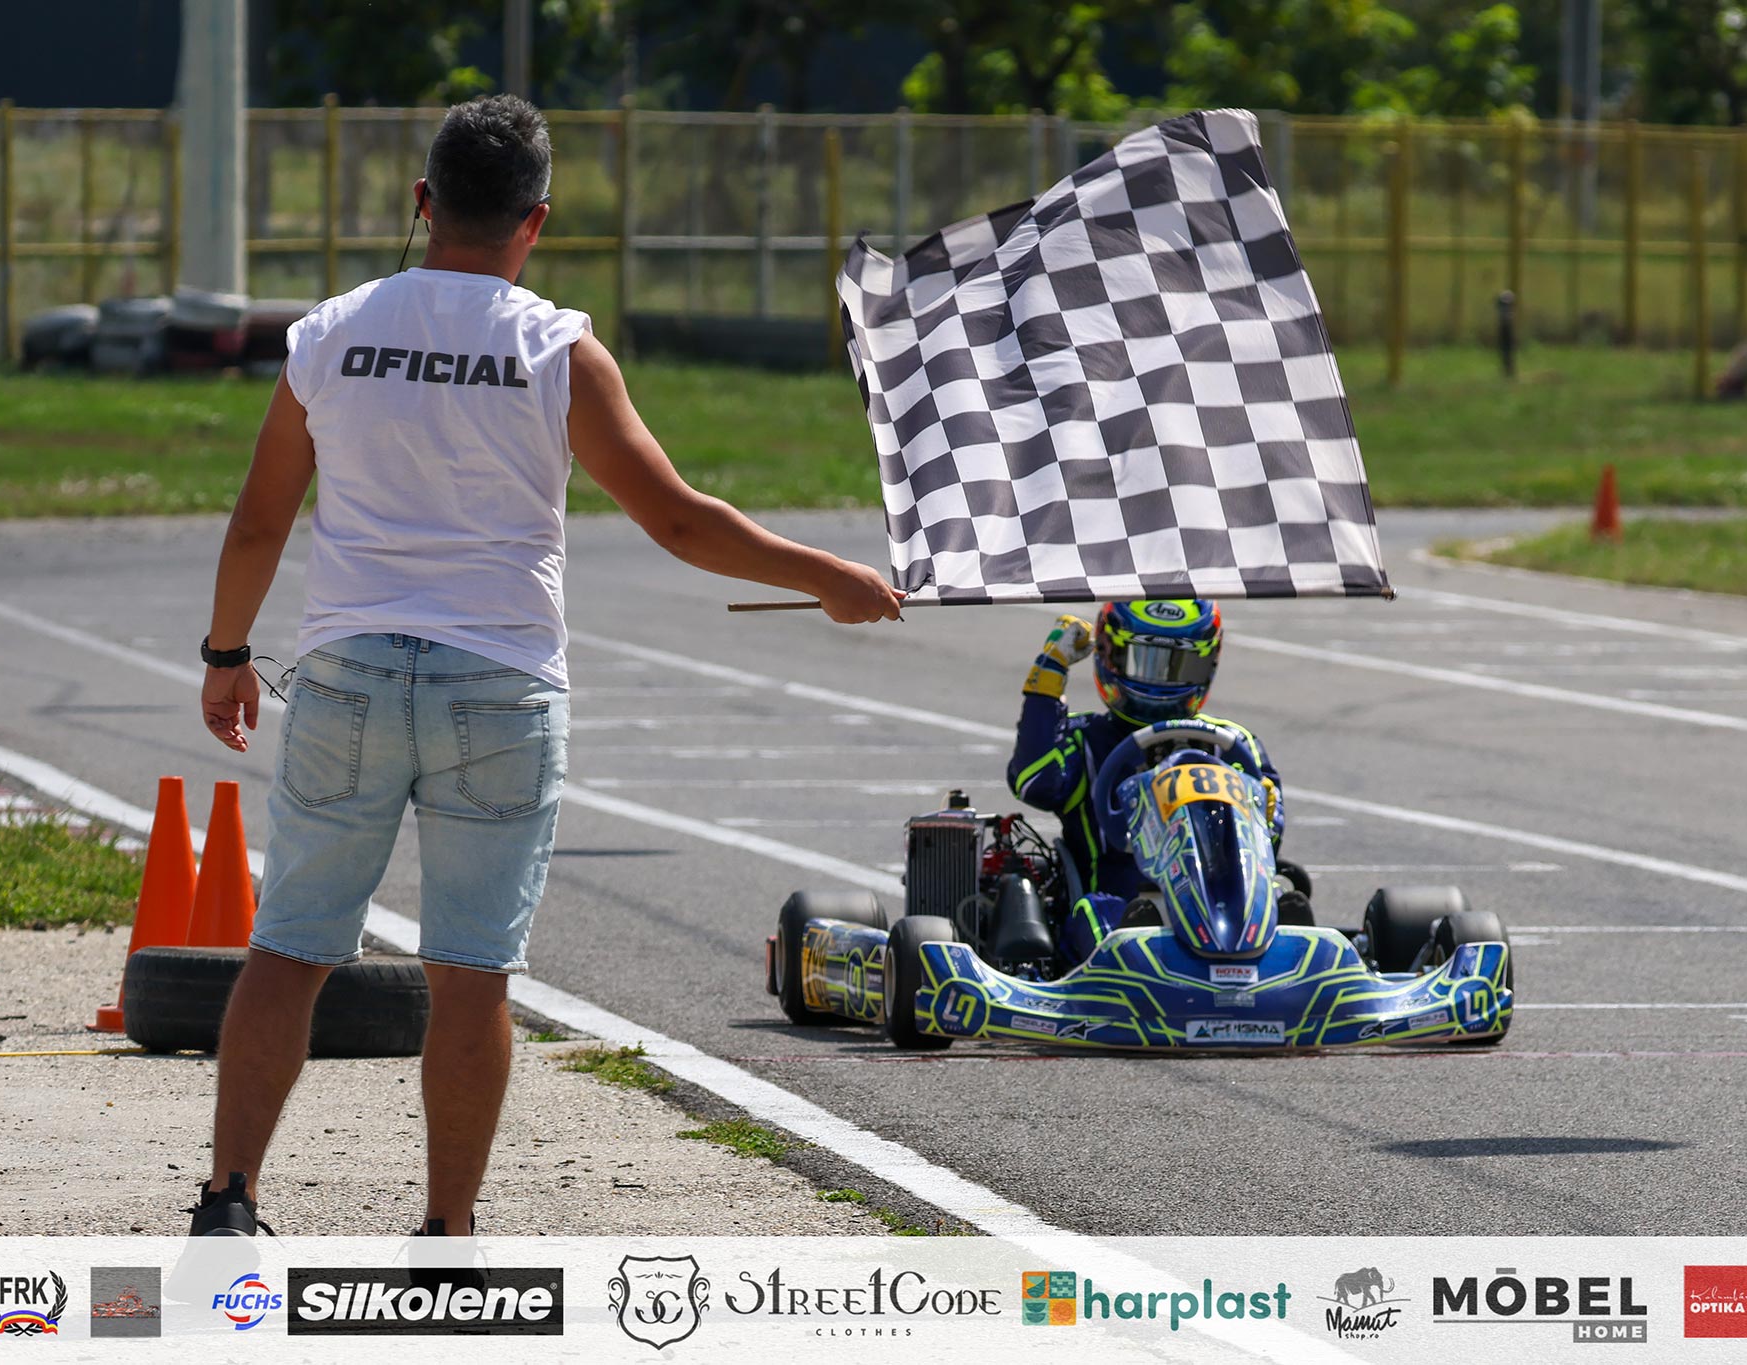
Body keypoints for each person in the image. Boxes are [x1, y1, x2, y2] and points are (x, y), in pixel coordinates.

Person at [189, 95, 900, 1238]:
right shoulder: (557, 348)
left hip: (347, 675)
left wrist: (228, 654)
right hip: (498, 684)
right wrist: (826, 576)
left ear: (422, 203)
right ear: (537, 220)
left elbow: (260, 522)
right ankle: (447, 1233)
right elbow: (676, 520)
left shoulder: (328, 334)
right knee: (469, 975)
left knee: (289, 949)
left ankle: (229, 1200)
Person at [1005, 599, 1284, 964]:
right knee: (1099, 914)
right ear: (1109, 655)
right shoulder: (1084, 740)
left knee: (1285, 907)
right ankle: (1140, 963)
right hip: (1119, 907)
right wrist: (1049, 673)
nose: (1159, 680)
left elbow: (1269, 846)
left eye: (1179, 665)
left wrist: (1261, 815)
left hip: (1226, 912)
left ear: (1208, 663)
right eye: (1144, 661)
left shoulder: (1233, 745)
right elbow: (1034, 780)